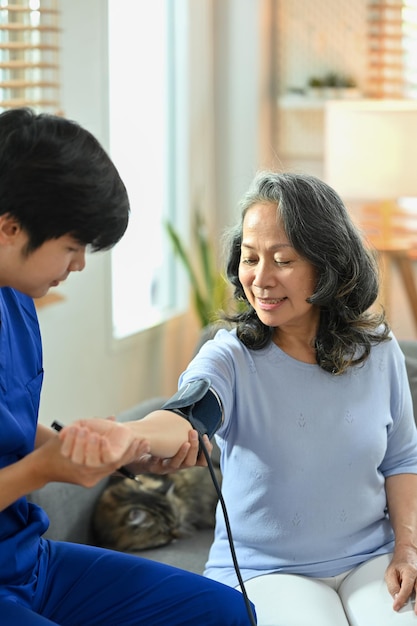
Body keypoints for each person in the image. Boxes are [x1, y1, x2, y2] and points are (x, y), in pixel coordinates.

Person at [0, 107, 256, 626]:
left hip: (25, 560)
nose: (78, 265)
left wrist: (116, 456)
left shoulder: (17, 299)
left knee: (226, 613)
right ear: (9, 227)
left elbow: (12, 427)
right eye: (71, 247)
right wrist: (44, 471)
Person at [143, 170, 417, 626]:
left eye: (283, 260)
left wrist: (408, 549)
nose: (261, 278)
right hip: (266, 570)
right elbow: (190, 411)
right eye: (250, 258)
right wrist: (126, 437)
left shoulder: (378, 350)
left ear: (327, 265)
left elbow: (402, 459)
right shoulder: (230, 356)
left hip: (372, 559)